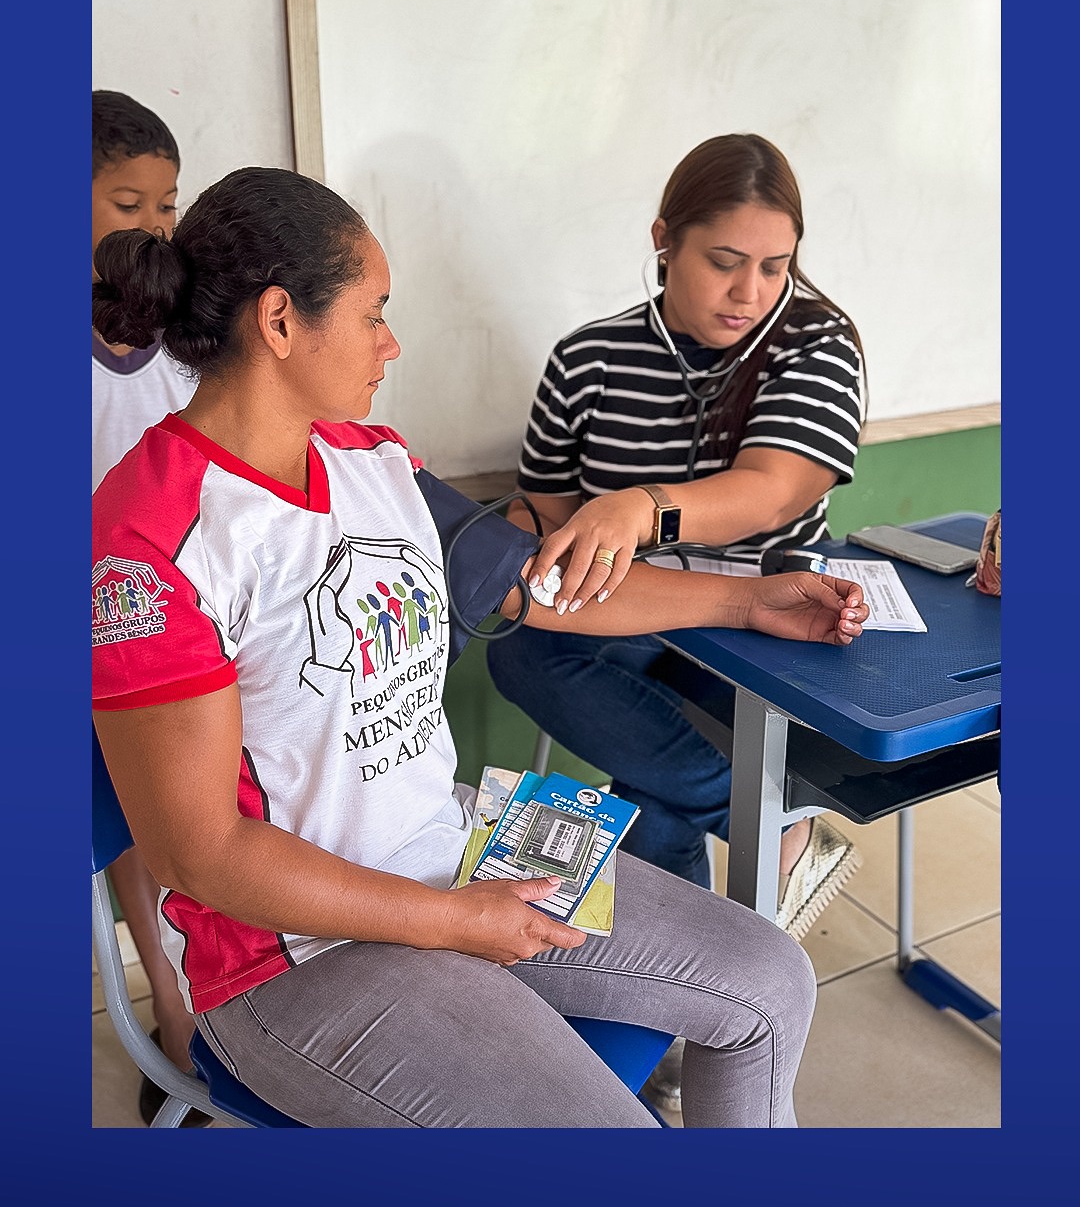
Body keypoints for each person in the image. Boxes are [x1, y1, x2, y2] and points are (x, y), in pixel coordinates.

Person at [91, 165, 870, 1128]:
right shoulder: (150, 538)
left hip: (447, 849)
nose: (393, 342)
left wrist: (747, 604)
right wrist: (453, 924)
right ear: (282, 321)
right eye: (375, 313)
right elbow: (201, 854)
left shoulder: (371, 459)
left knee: (769, 981)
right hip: (292, 955)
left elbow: (536, 587)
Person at [484, 134, 867, 1109]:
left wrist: (642, 505)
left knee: (642, 792)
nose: (750, 292)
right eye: (723, 262)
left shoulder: (817, 343)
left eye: (775, 267)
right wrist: (555, 532)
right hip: (634, 618)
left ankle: (658, 1034)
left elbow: (774, 488)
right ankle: (772, 819)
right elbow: (543, 509)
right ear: (664, 241)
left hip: (770, 621)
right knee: (521, 645)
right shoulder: (589, 358)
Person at [91, 90, 204, 1126]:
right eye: (129, 202)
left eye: (167, 206)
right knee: (139, 828)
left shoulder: (183, 341)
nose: (156, 230)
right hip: (102, 637)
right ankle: (174, 1004)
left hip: (203, 617)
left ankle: (232, 988)